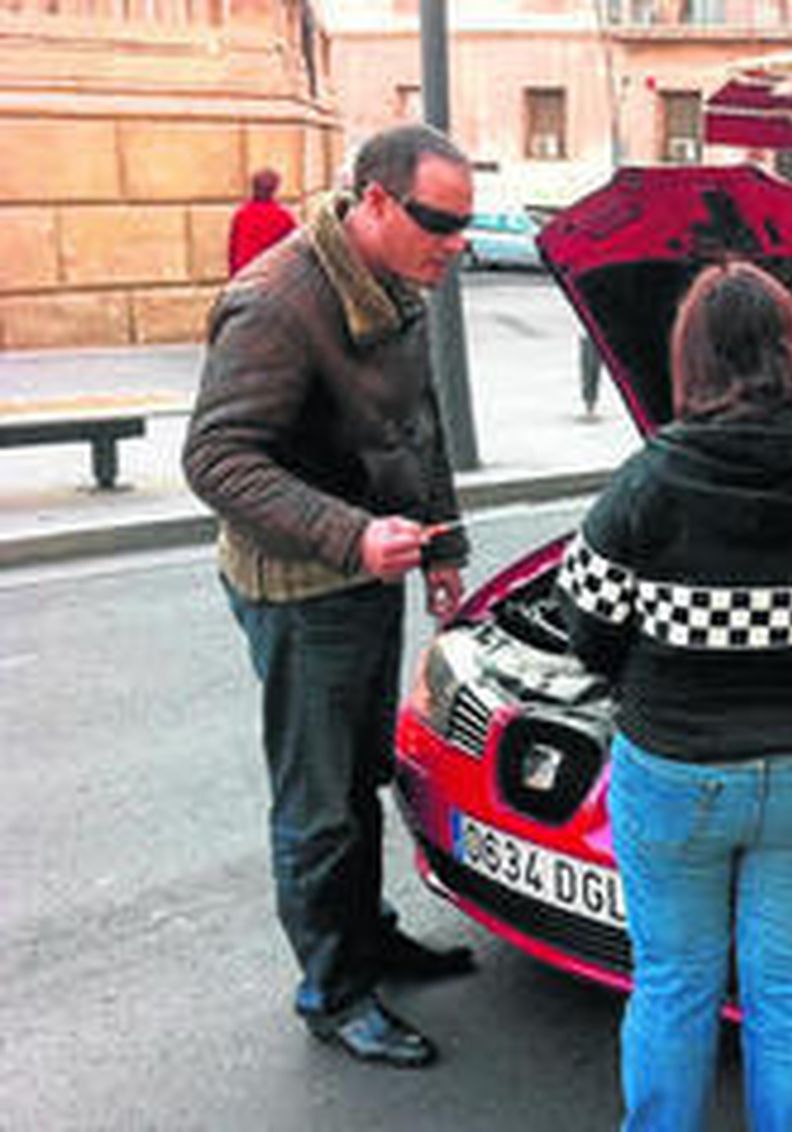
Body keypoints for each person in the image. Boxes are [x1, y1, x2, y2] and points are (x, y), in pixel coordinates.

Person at [557, 261, 792, 1130]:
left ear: (692, 361)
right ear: (789, 352)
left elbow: (590, 631)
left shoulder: (647, 481)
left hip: (677, 768)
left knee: (673, 984)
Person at [183, 123, 479, 1070]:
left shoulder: (402, 282)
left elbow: (418, 427)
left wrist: (444, 543)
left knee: (360, 776)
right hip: (301, 586)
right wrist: (351, 534)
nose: (457, 242)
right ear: (377, 202)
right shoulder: (276, 302)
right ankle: (334, 991)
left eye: (465, 224)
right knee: (319, 803)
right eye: (441, 221)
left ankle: (372, 936)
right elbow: (217, 459)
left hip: (371, 568)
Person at [227, 167, 298, 277]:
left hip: (246, 279)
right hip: (273, 280)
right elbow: (294, 252)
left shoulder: (241, 215)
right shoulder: (284, 217)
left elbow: (233, 255)